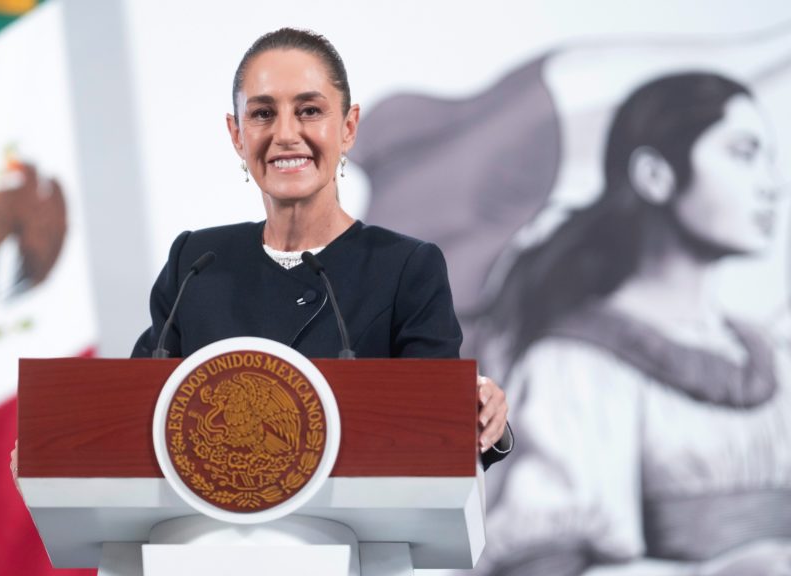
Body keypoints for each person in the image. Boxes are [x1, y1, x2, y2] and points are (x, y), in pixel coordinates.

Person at [129, 28, 512, 467]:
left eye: (309, 111)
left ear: (348, 127)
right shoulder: (195, 264)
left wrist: (481, 415)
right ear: (237, 135)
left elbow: (439, 427)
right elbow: (133, 414)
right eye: (262, 114)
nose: (285, 134)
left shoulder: (405, 268)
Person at [473, 72, 789, 575]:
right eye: (743, 154)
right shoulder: (577, 367)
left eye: (770, 160)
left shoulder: (775, 360)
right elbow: (546, 564)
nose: (772, 186)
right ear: (655, 175)